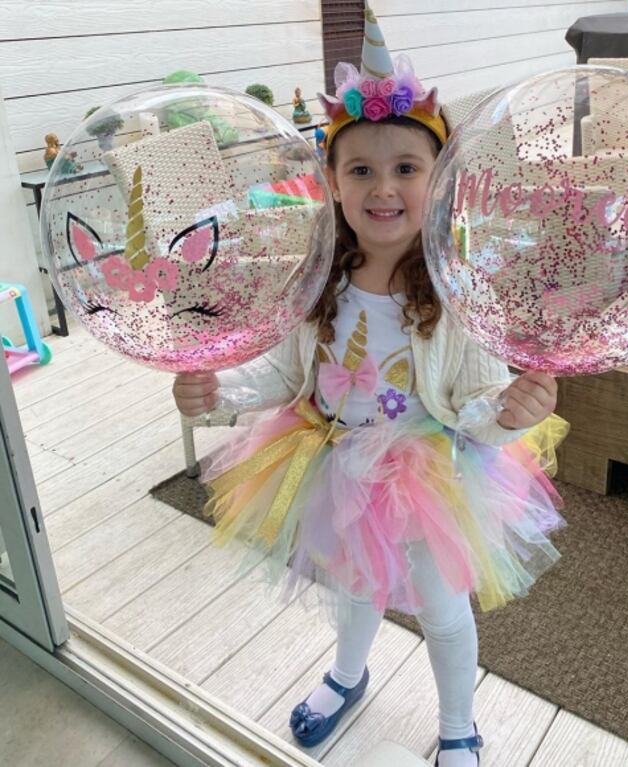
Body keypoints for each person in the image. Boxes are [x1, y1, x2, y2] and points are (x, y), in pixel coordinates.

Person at [172, 4, 567, 765]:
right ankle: (346, 674)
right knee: (352, 586)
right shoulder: (318, 275)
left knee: (444, 610)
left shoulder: (457, 289)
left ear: (439, 179)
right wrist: (219, 391)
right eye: (361, 169)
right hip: (330, 461)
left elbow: (476, 406)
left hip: (429, 476)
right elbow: (287, 374)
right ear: (332, 181)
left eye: (406, 168)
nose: (383, 187)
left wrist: (512, 412)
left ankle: (458, 724)